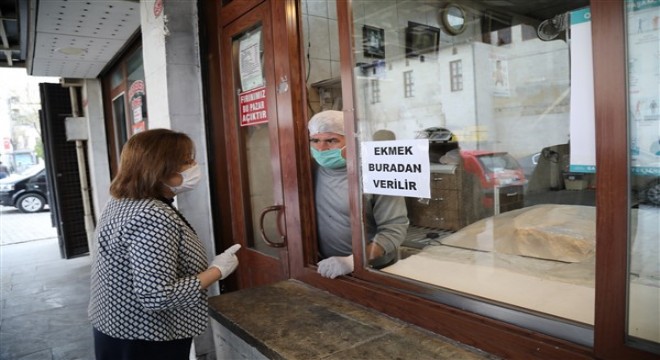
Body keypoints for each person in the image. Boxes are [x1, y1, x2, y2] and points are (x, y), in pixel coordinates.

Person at [88, 128, 241, 360]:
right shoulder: (151, 215)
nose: (194, 165)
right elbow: (157, 295)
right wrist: (217, 270)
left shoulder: (123, 201)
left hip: (117, 326)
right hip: (145, 338)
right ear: (160, 168)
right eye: (186, 160)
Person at [308, 110, 408, 279]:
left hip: (373, 269)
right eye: (315, 140)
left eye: (331, 140)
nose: (321, 149)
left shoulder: (376, 173)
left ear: (353, 140)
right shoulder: (311, 171)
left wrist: (353, 261)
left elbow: (394, 229)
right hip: (326, 267)